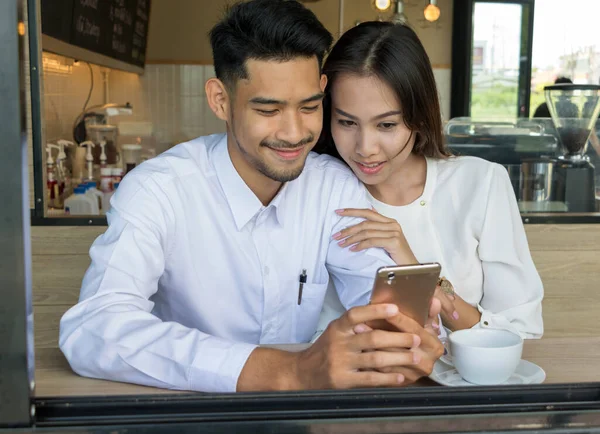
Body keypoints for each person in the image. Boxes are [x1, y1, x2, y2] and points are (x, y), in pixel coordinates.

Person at [58, 0, 444, 394]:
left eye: (309, 106)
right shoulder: (159, 190)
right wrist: (287, 371)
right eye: (269, 109)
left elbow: (373, 288)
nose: (294, 133)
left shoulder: (333, 187)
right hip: (186, 413)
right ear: (220, 100)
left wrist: (399, 333)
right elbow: (94, 327)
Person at [314, 22, 544, 339]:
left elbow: (518, 329)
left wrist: (412, 269)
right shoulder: (317, 188)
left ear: (419, 117)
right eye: (347, 122)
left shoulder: (480, 183)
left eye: (387, 125)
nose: (365, 148)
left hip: (462, 386)